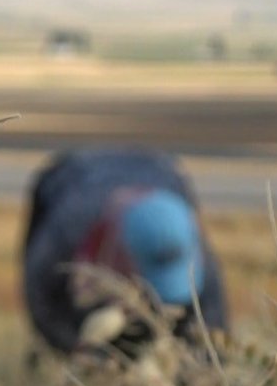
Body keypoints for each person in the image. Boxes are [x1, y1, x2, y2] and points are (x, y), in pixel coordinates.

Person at [22, 148, 228, 359]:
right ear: (119, 257)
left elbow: (212, 324)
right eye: (146, 287)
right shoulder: (65, 229)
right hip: (76, 174)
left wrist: (200, 373)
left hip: (158, 168)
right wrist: (79, 352)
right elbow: (43, 303)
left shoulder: (181, 226)